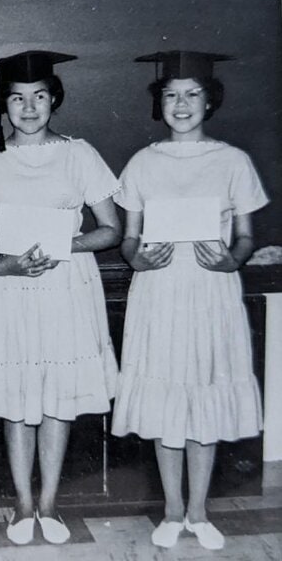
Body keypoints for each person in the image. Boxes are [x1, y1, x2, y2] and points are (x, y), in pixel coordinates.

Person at [0, 51, 121, 546]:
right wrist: (1, 264)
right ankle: (22, 504)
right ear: (3, 105)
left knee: (57, 398)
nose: (29, 108)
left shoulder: (80, 155)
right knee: (17, 397)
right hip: (7, 289)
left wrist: (62, 243)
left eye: (39, 97)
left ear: (54, 100)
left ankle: (49, 503)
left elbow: (111, 229)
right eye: (17, 98)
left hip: (65, 286)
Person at [110, 51, 267, 551]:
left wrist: (231, 260)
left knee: (204, 397)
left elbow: (244, 238)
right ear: (160, 103)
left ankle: (199, 512)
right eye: (172, 95)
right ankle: (172, 510)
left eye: (193, 94)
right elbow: (129, 241)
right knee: (167, 400)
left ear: (210, 100)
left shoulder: (233, 161)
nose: (182, 104)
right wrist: (138, 259)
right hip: (159, 294)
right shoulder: (143, 163)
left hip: (210, 293)